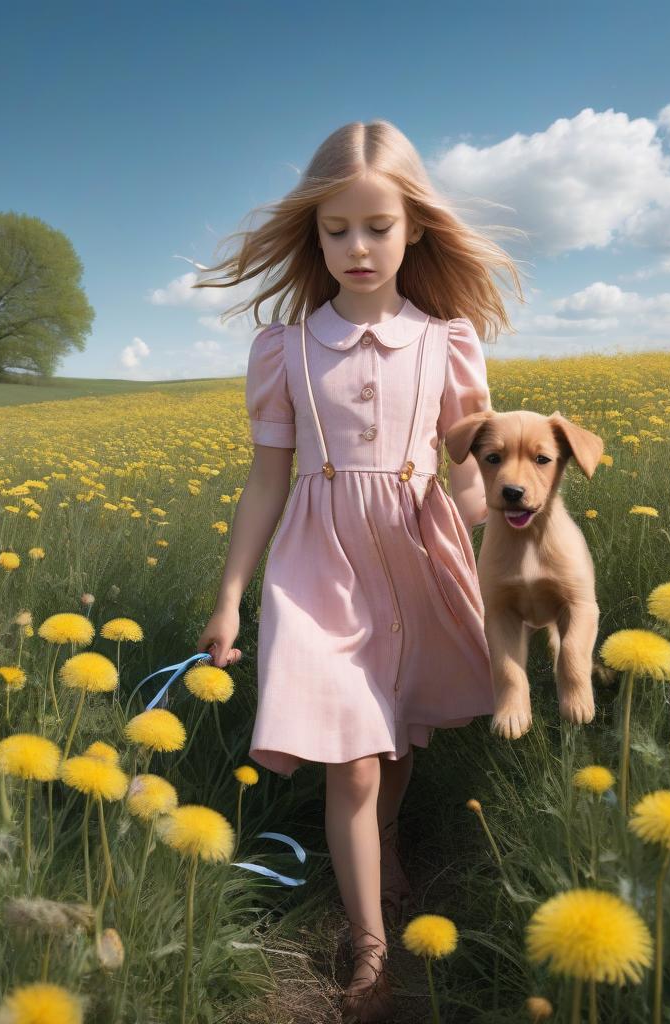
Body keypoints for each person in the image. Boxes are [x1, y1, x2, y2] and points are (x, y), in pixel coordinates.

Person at [193, 119, 524, 1022]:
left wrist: (482, 533)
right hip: (318, 561)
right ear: (316, 234)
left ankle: (380, 850)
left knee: (403, 732)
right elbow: (265, 483)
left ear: (415, 227)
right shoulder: (285, 349)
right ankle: (372, 949)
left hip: (418, 550)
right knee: (355, 759)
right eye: (336, 230)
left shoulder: (450, 342)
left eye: (377, 227)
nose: (356, 247)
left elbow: (469, 469)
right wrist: (230, 596)